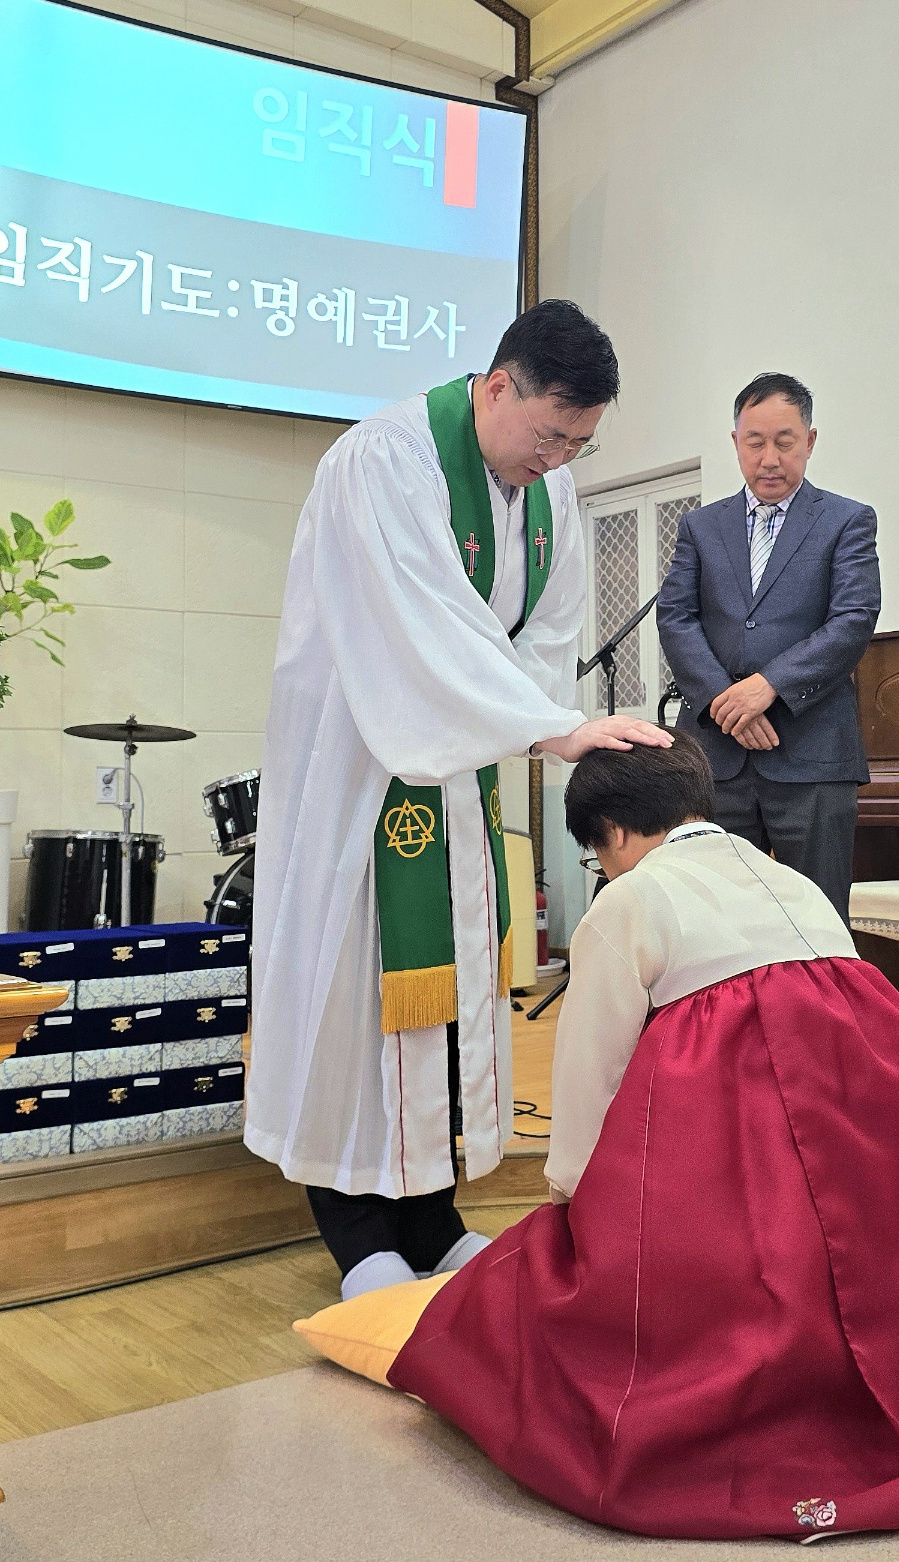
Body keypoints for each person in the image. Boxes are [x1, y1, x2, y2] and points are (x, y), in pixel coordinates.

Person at [297, 734, 899, 1541]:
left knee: (550, 1292)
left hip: (747, 1144)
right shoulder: (784, 876)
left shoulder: (630, 899)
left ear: (611, 834)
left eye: (596, 857)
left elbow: (593, 1065)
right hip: (884, 1146)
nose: (604, 872)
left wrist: (572, 1191)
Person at [248, 300, 670, 1300]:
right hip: (362, 765)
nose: (556, 459)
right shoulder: (382, 460)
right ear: (496, 387)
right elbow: (417, 625)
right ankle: (357, 1232)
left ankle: (430, 1219)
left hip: (456, 764)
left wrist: (538, 717)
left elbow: (544, 634)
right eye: (548, 434)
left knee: (447, 996)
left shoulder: (547, 489)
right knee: (358, 992)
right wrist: (546, 726)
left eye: (578, 443)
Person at [656, 372, 879, 922]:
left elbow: (853, 619)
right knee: (718, 920)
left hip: (813, 757)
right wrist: (724, 701)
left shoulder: (846, 520)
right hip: (716, 761)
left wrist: (768, 687)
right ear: (736, 443)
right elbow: (676, 617)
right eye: (755, 443)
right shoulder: (701, 527)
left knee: (817, 919)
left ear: (810, 441)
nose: (769, 459)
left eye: (784, 442)